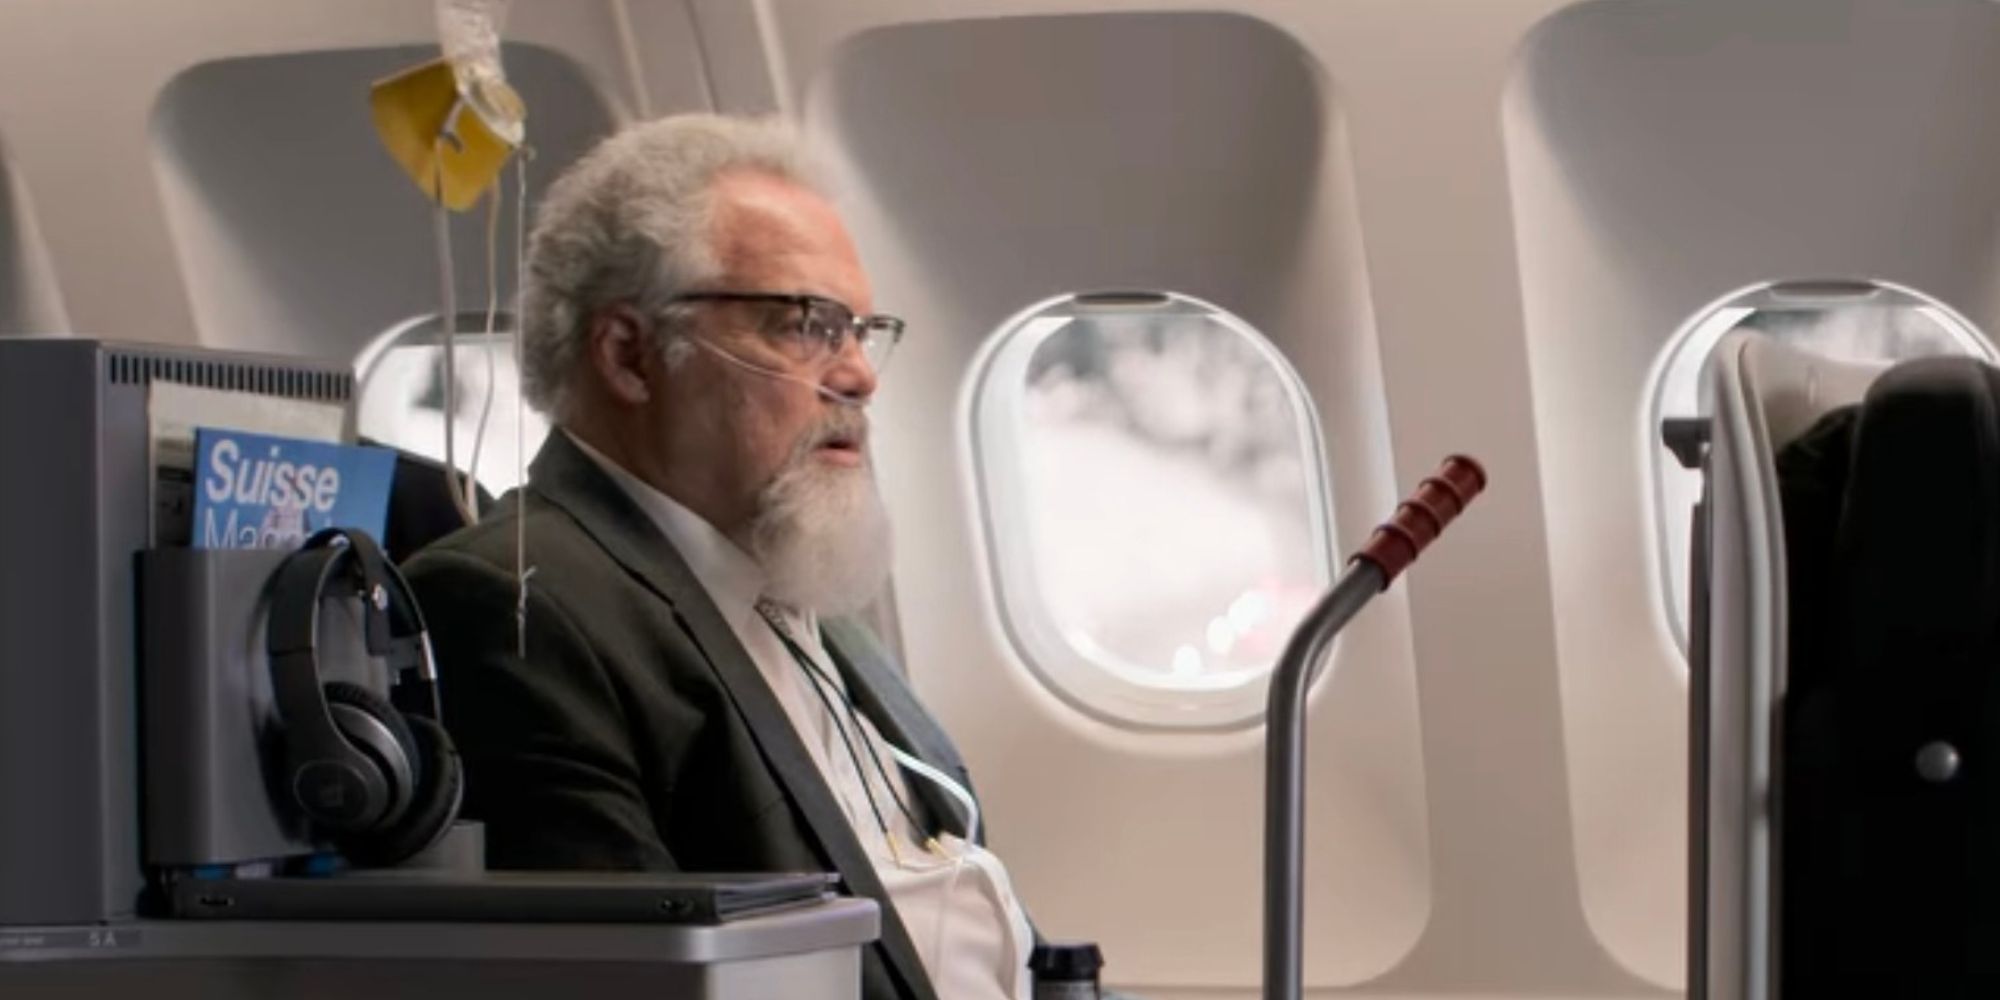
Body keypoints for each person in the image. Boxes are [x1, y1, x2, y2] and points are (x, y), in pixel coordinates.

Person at [403, 113, 1035, 1000]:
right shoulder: (515, 608)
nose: (858, 374)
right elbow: (629, 987)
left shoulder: (794, 578)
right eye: (804, 324)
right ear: (630, 355)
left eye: (859, 328)